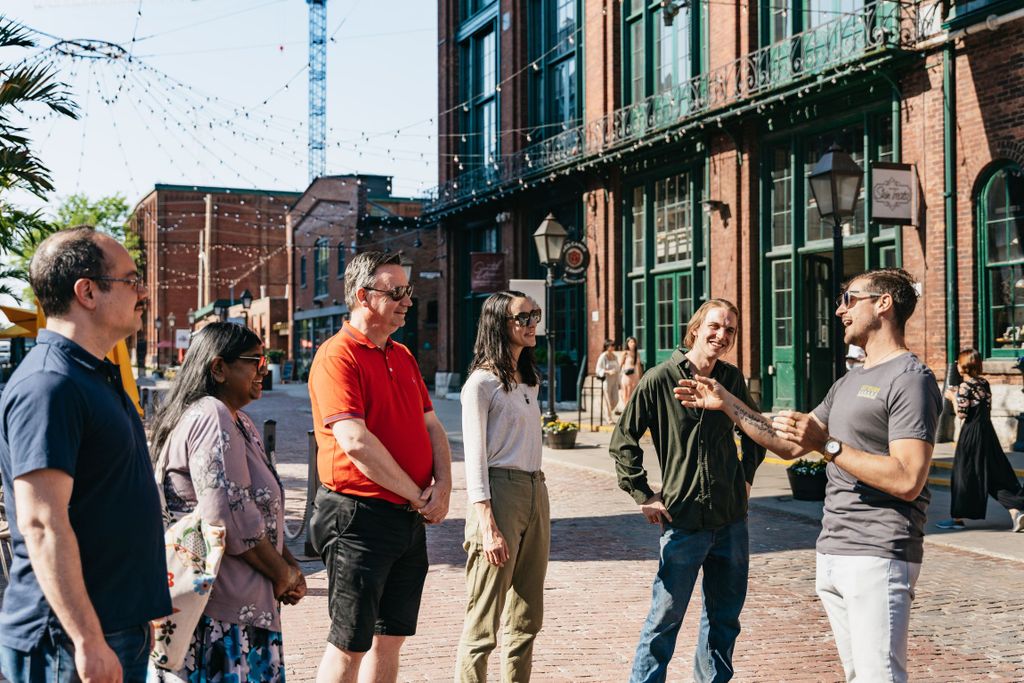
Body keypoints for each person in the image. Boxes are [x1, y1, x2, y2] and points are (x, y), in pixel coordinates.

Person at [676, 268, 942, 683]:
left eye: (849, 299)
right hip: (834, 550)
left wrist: (828, 446)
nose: (839, 310)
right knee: (859, 675)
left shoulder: (911, 380)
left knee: (880, 676)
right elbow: (785, 445)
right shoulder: (849, 381)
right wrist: (725, 400)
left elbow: (908, 479)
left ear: (884, 304)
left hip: (879, 551)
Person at [0, 228, 171, 682]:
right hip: (68, 640)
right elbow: (41, 522)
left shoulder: (94, 375)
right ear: (88, 291)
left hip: (114, 625)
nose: (144, 291)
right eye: (132, 279)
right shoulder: (50, 385)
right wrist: (87, 639)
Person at [307, 250, 452, 683]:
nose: (408, 299)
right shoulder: (338, 356)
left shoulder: (403, 355)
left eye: (409, 290)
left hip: (406, 519)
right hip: (358, 518)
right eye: (397, 291)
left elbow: (433, 426)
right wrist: (417, 493)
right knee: (349, 643)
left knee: (390, 638)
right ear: (362, 296)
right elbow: (355, 442)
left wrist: (443, 485)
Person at [609, 299, 765, 683]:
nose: (722, 335)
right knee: (664, 620)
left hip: (731, 520)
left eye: (729, 330)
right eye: (715, 326)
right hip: (684, 519)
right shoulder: (660, 378)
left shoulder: (730, 379)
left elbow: (755, 430)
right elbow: (623, 440)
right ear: (696, 328)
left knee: (724, 620)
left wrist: (745, 477)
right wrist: (643, 494)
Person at [147, 323, 306, 681]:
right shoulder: (210, 415)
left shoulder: (238, 420)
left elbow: (257, 511)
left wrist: (289, 565)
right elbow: (228, 515)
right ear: (218, 368)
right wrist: (283, 574)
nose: (264, 368)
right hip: (222, 611)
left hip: (239, 603)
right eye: (256, 360)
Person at [455, 291, 549, 682]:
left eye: (535, 315)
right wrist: (488, 524)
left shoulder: (530, 381)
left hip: (535, 490)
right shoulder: (480, 384)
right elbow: (474, 458)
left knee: (528, 617)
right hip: (499, 493)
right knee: (484, 621)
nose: (532, 324)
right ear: (499, 324)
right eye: (522, 317)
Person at [937, 347, 1024, 532]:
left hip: (971, 434)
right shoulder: (984, 383)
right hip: (987, 432)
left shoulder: (965, 386)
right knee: (995, 474)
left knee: (963, 474)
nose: (956, 365)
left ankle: (958, 519)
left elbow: (962, 414)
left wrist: (953, 397)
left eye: (958, 362)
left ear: (964, 366)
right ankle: (1016, 511)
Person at [595, 339, 621, 420]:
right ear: (607, 346)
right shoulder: (603, 356)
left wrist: (619, 381)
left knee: (616, 400)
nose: (613, 347)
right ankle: (608, 418)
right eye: (612, 345)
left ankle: (605, 411)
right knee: (608, 401)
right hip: (606, 381)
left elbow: (618, 369)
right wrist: (608, 372)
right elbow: (598, 369)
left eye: (614, 345)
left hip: (615, 381)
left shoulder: (615, 356)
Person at [620, 335, 644, 406]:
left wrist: (641, 377)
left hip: (635, 376)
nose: (633, 343)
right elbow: (621, 364)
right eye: (631, 342)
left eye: (634, 342)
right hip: (627, 376)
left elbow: (639, 366)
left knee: (634, 394)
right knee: (626, 394)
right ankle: (626, 410)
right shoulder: (625, 353)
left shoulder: (637, 353)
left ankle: (631, 409)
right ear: (627, 343)